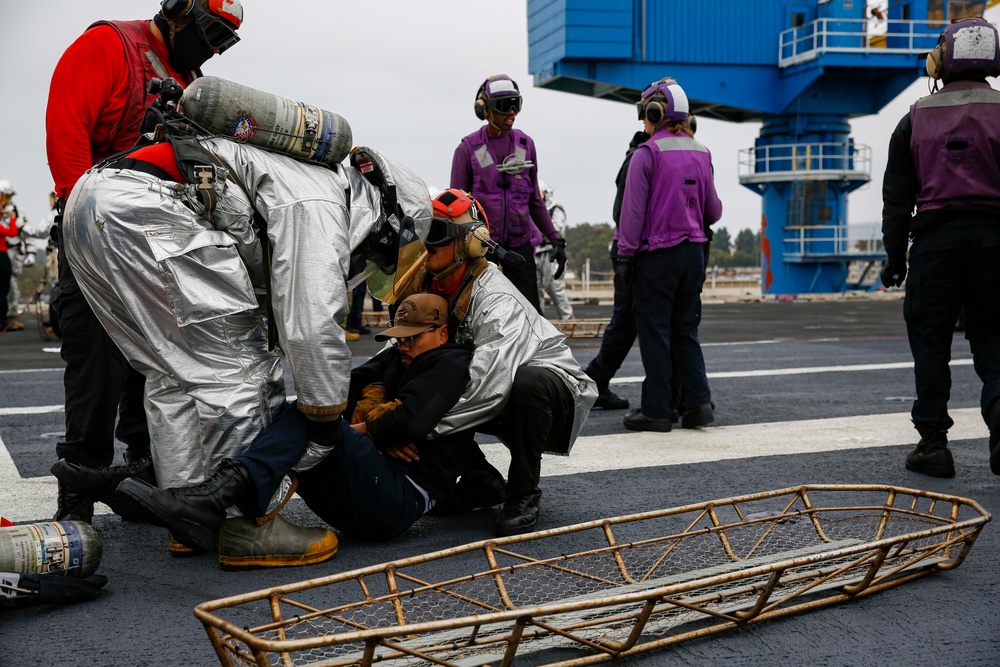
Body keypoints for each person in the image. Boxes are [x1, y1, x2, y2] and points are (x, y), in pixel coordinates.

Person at [52, 88, 432, 566]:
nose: (371, 258)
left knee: (173, 374)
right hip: (153, 208)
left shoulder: (299, 177)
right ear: (388, 218)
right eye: (381, 249)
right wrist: (322, 417)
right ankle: (250, 528)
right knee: (242, 368)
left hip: (92, 203)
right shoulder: (322, 195)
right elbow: (312, 321)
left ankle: (188, 519)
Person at [45, 0, 244, 523]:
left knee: (158, 351)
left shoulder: (189, 75)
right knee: (96, 358)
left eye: (223, 39)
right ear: (178, 12)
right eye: (210, 32)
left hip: (158, 237)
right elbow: (67, 126)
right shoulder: (108, 46)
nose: (213, 46)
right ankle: (79, 488)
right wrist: (78, 213)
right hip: (100, 229)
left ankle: (144, 467)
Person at [116, 293, 505, 552]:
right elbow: (343, 385)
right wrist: (377, 424)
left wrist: (364, 428)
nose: (402, 346)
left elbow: (409, 422)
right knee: (311, 407)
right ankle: (199, 496)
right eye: (399, 339)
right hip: (375, 480)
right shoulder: (399, 358)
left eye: (412, 339)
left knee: (317, 418)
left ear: (442, 332)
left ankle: (212, 495)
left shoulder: (450, 362)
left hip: (397, 500)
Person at [396, 188, 596, 536]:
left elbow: (487, 386)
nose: (427, 243)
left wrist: (410, 429)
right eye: (423, 231)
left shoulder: (496, 298)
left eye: (438, 233)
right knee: (419, 368)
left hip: (548, 392)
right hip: (488, 380)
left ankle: (523, 493)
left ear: (470, 243)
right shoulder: (428, 285)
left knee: (525, 384)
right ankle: (480, 481)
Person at [881, 16, 1000, 478]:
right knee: (994, 340)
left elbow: (897, 200)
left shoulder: (913, 119)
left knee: (930, 343)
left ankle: (933, 445)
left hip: (934, 245)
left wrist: (895, 258)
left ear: (941, 60)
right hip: (995, 243)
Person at [616, 79, 722, 433]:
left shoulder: (647, 154)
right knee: (686, 331)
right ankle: (698, 404)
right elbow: (714, 211)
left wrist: (625, 257)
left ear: (655, 112)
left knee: (655, 332)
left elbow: (632, 214)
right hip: (693, 254)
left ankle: (657, 410)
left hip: (657, 256)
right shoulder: (702, 151)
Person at [450, 75, 567, 313]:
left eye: (517, 104)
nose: (512, 112)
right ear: (485, 109)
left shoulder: (525, 145)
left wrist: (555, 238)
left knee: (531, 313)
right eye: (505, 106)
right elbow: (456, 208)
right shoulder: (468, 149)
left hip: (519, 246)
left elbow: (535, 199)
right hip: (482, 249)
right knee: (481, 314)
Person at [583, 132, 649, 411]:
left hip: (631, 248)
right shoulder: (640, 157)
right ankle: (595, 381)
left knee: (628, 322)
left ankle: (596, 381)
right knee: (628, 321)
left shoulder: (639, 154)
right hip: (630, 250)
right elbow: (622, 211)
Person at [535, 181, 574, 320]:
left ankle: (567, 317)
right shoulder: (531, 210)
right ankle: (539, 320)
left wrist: (539, 231)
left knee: (553, 286)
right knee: (535, 288)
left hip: (551, 252)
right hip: (535, 251)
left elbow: (557, 228)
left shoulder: (556, 210)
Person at [0, 180, 19, 332]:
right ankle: (2, 321)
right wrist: (12, 218)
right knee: (3, 290)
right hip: (2, 256)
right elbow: (12, 233)